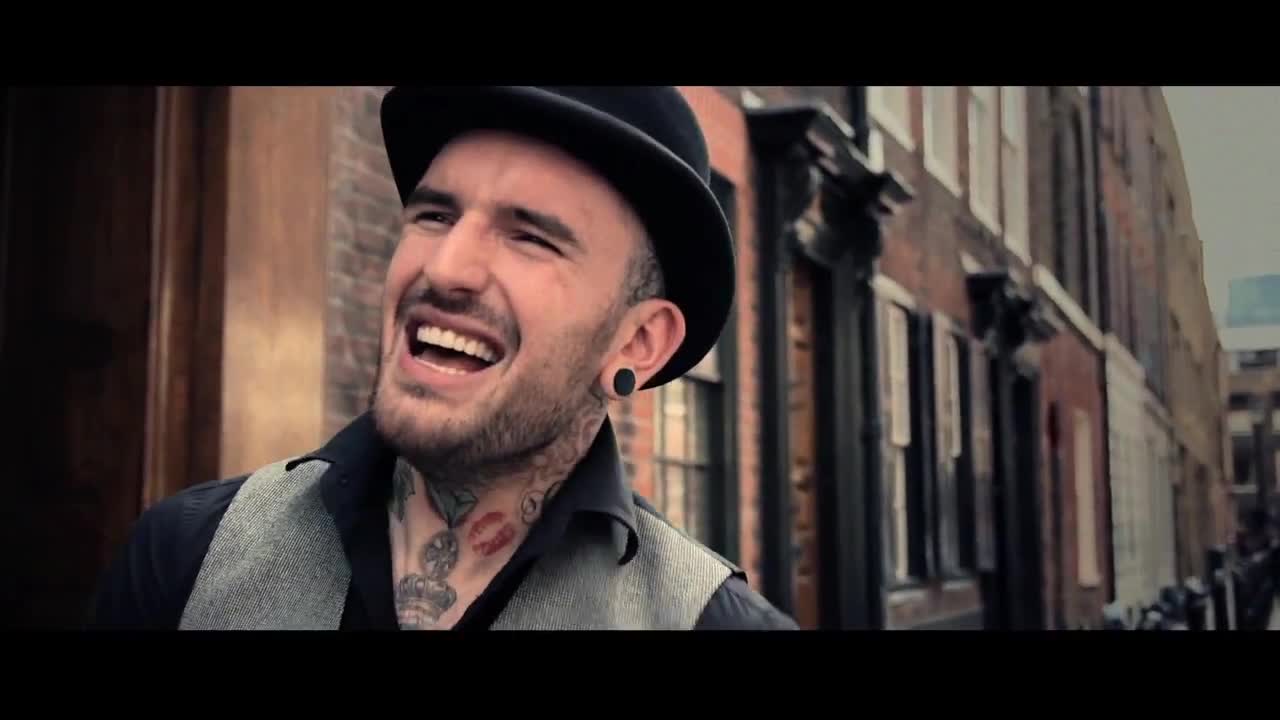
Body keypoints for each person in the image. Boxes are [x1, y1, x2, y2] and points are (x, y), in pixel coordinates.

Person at [90, 86, 799, 631]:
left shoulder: (713, 623)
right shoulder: (186, 557)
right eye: (434, 215)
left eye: (530, 237)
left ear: (637, 343)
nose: (445, 267)